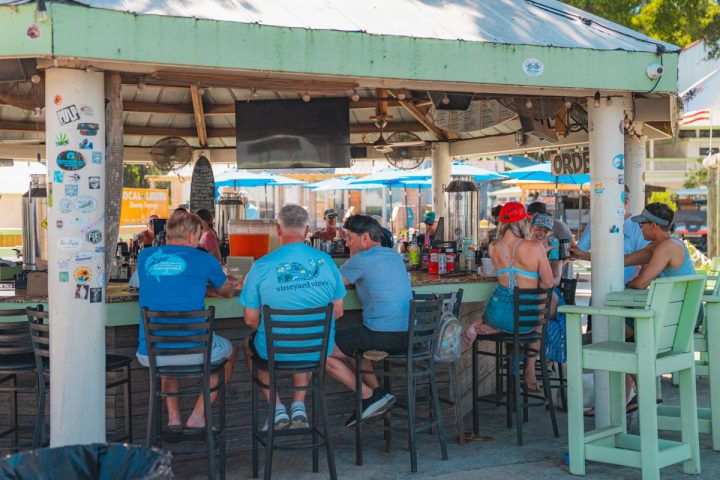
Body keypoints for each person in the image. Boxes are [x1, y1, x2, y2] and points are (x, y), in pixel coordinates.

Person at [240, 205, 346, 431]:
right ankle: (298, 405)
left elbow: (250, 319)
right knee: (306, 338)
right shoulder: (326, 262)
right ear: (307, 229)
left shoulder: (260, 266)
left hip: (274, 349)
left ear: (278, 230)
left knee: (249, 347)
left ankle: (277, 408)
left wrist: (271, 331)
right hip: (317, 349)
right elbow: (338, 311)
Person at [136, 210, 240, 430]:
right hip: (195, 351)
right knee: (231, 353)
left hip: (152, 353)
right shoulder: (204, 260)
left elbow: (165, 284)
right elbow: (227, 292)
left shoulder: (145, 257)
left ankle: (174, 419)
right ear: (192, 235)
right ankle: (197, 415)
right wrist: (232, 284)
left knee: (166, 352)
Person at [325, 215, 412, 426]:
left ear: (365, 238)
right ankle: (378, 394)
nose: (347, 243)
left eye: (350, 238)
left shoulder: (361, 260)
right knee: (355, 347)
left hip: (381, 336)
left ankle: (366, 395)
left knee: (321, 349)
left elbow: (333, 285)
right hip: (408, 336)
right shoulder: (394, 256)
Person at [464, 202, 554, 391]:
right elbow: (548, 283)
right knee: (541, 317)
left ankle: (493, 326)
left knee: (501, 306)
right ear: (521, 221)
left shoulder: (493, 246)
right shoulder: (535, 246)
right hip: (524, 319)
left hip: (497, 312)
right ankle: (527, 368)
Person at [570, 186, 649, 285]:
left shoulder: (637, 225)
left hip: (627, 288)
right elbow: (578, 252)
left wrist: (635, 285)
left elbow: (644, 261)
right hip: (599, 287)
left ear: (626, 202)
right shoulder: (596, 222)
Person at [625, 202, 696, 289]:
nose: (640, 228)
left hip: (683, 302)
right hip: (676, 300)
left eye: (641, 224)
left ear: (654, 225)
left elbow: (641, 283)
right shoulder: (657, 245)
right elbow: (626, 259)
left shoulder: (669, 246)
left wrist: (626, 284)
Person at [530, 213, 562, 286]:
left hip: (546, 291)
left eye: (545, 231)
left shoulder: (553, 249)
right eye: (538, 229)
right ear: (531, 228)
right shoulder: (522, 245)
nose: (541, 233)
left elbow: (556, 279)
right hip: (524, 290)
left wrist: (539, 285)